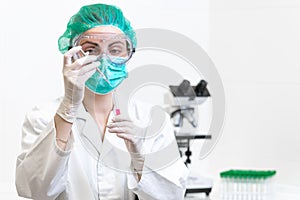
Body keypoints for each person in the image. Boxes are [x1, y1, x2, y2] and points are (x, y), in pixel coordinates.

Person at [15, 3, 188, 200]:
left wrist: (141, 159)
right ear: (73, 53)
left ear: (128, 55)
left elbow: (172, 195)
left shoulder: (151, 119)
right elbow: (35, 189)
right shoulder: (43, 117)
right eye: (91, 50)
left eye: (115, 49)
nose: (104, 59)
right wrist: (67, 110)